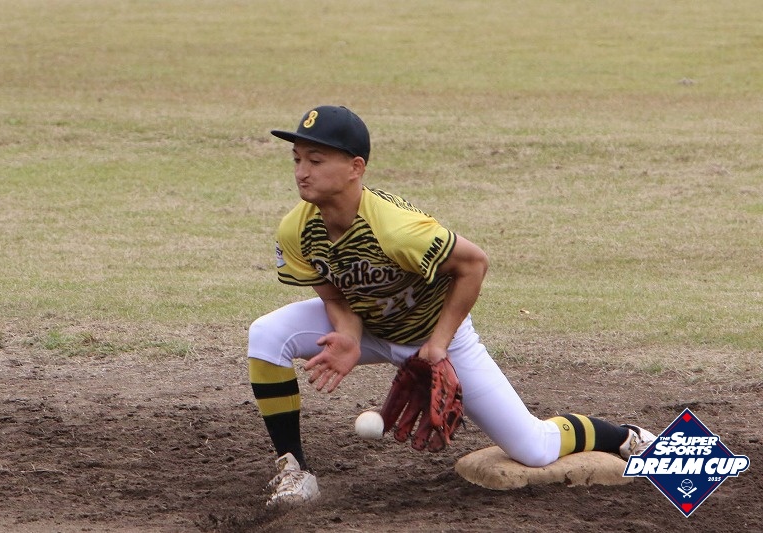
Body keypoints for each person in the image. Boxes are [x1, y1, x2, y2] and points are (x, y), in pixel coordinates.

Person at [248, 105, 655, 506]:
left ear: (356, 167)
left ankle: (626, 436)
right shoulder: (296, 230)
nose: (302, 171)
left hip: (434, 334)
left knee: (534, 449)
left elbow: (473, 264)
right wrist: (350, 337)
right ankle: (294, 471)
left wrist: (439, 343)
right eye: (297, 159)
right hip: (370, 326)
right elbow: (335, 294)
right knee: (267, 334)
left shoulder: (397, 229)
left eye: (316, 160)